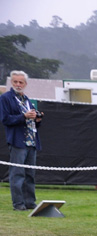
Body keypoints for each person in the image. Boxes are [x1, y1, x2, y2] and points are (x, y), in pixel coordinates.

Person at [1, 71, 43, 211]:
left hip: (31, 141)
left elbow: (31, 121)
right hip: (18, 141)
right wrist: (24, 116)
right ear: (11, 83)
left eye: (21, 82)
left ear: (25, 84)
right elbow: (5, 119)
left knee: (30, 174)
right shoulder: (6, 98)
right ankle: (18, 204)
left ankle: (30, 202)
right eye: (15, 82)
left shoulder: (27, 99)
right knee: (17, 174)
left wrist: (37, 119)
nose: (18, 84)